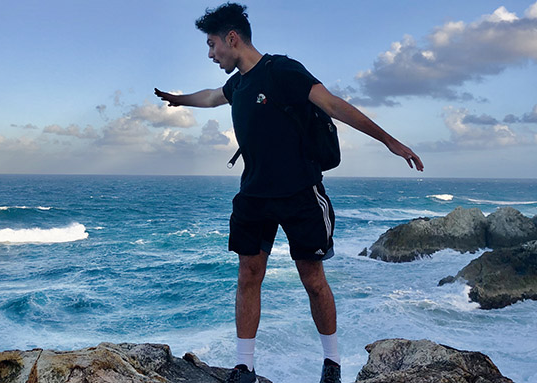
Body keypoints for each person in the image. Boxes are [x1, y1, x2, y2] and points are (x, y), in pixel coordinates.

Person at [155, 3, 424, 382]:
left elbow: (332, 104)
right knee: (248, 275)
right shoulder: (239, 84)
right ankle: (244, 366)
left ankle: (332, 363)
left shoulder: (281, 70)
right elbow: (213, 96)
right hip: (254, 195)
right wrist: (179, 100)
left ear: (232, 38)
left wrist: (389, 141)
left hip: (301, 193)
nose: (211, 54)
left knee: (312, 279)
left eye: (213, 45)